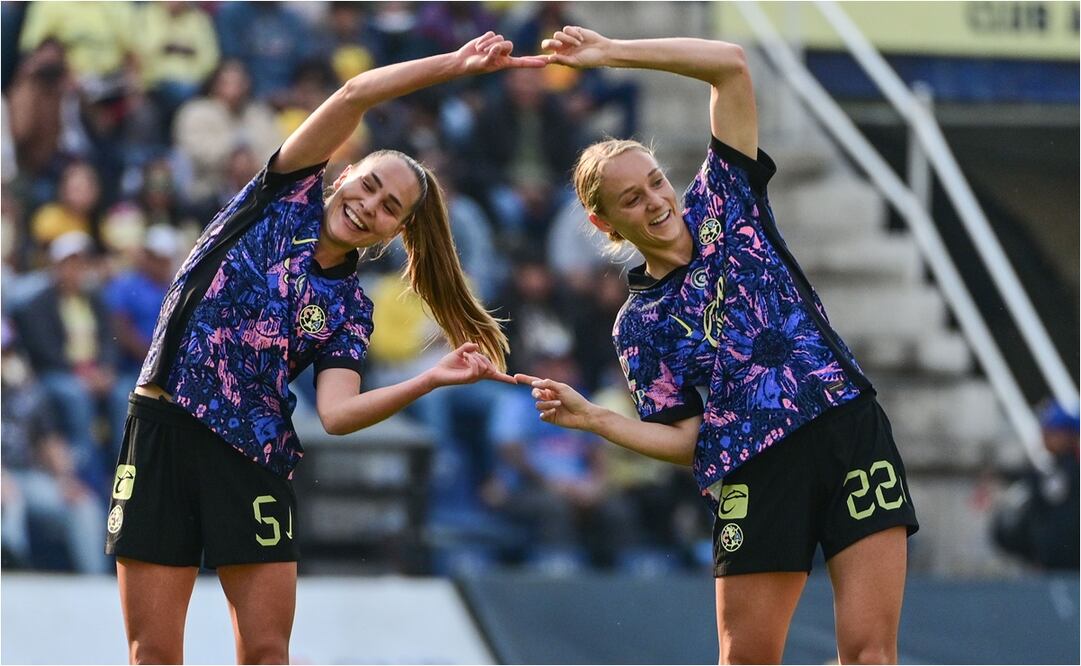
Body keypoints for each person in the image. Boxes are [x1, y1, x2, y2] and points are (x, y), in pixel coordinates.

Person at [104, 32, 543, 664]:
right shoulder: (278, 196)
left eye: (389, 207)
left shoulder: (350, 309)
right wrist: (454, 64)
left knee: (265, 653)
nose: (369, 205)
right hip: (162, 431)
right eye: (366, 186)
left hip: (251, 458)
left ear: (397, 230)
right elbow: (357, 91)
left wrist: (431, 378)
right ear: (341, 177)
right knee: (152, 653)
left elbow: (337, 414)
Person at [516, 27, 919, 664]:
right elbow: (682, 439)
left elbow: (730, 67)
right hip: (754, 470)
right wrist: (592, 418)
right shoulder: (638, 325)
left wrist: (609, 52)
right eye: (631, 198)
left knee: (872, 655)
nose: (654, 201)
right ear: (603, 223)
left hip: (848, 429)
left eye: (653, 181)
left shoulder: (724, 199)